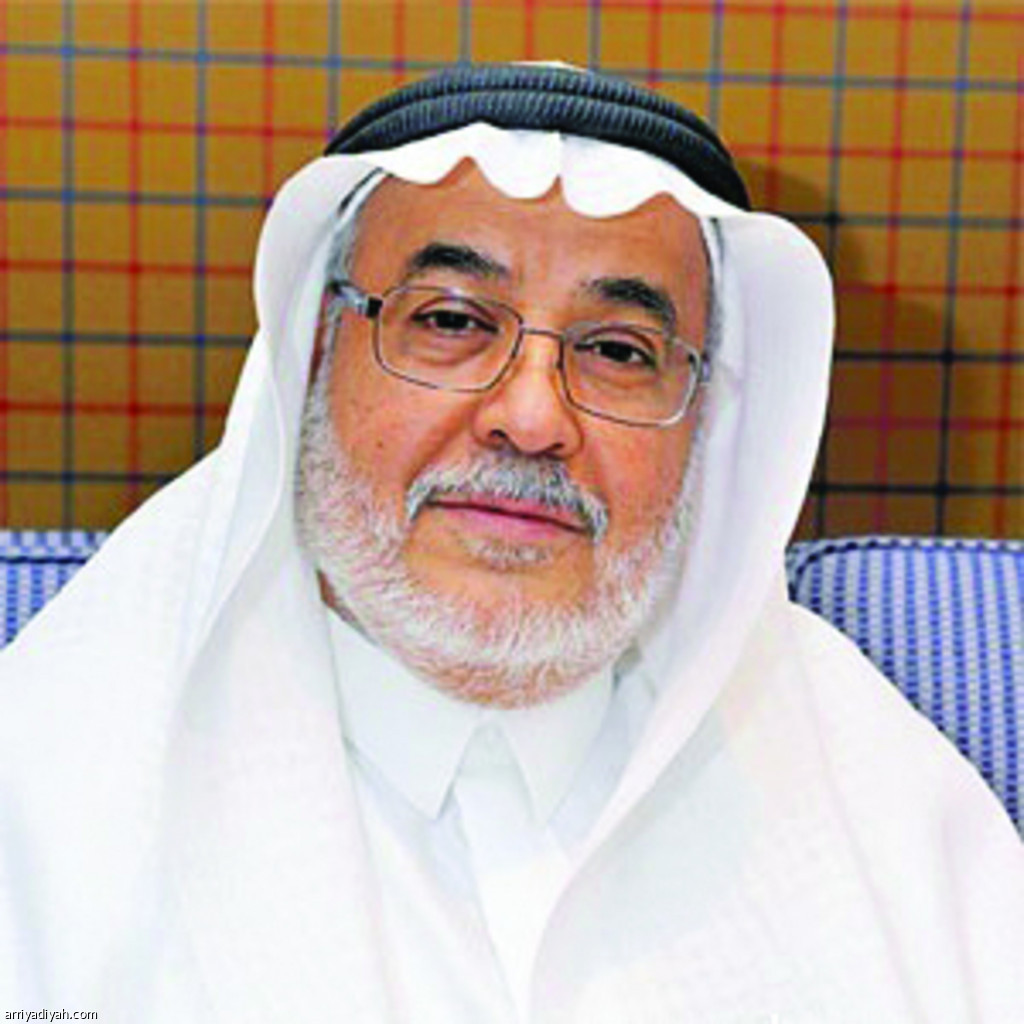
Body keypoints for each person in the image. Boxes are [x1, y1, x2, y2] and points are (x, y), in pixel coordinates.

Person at [0, 64, 1021, 1023]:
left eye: (618, 350)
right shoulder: (50, 805)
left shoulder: (890, 825)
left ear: (706, 424)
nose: (531, 418)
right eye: (450, 322)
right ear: (311, 358)